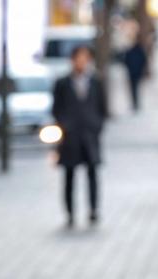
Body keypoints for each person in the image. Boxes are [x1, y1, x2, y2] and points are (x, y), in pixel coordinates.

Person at [52, 45, 108, 228]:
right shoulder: (62, 83)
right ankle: (70, 213)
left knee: (92, 174)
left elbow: (102, 108)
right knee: (69, 176)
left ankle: (93, 210)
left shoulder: (96, 82)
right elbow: (56, 109)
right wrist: (65, 126)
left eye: (85, 58)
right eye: (79, 58)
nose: (82, 62)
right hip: (70, 137)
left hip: (90, 135)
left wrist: (96, 126)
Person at [124, 35, 147, 111]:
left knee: (134, 88)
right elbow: (126, 61)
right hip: (134, 72)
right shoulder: (134, 51)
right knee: (134, 88)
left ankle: (135, 102)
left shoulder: (137, 51)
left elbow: (143, 60)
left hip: (135, 72)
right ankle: (135, 103)